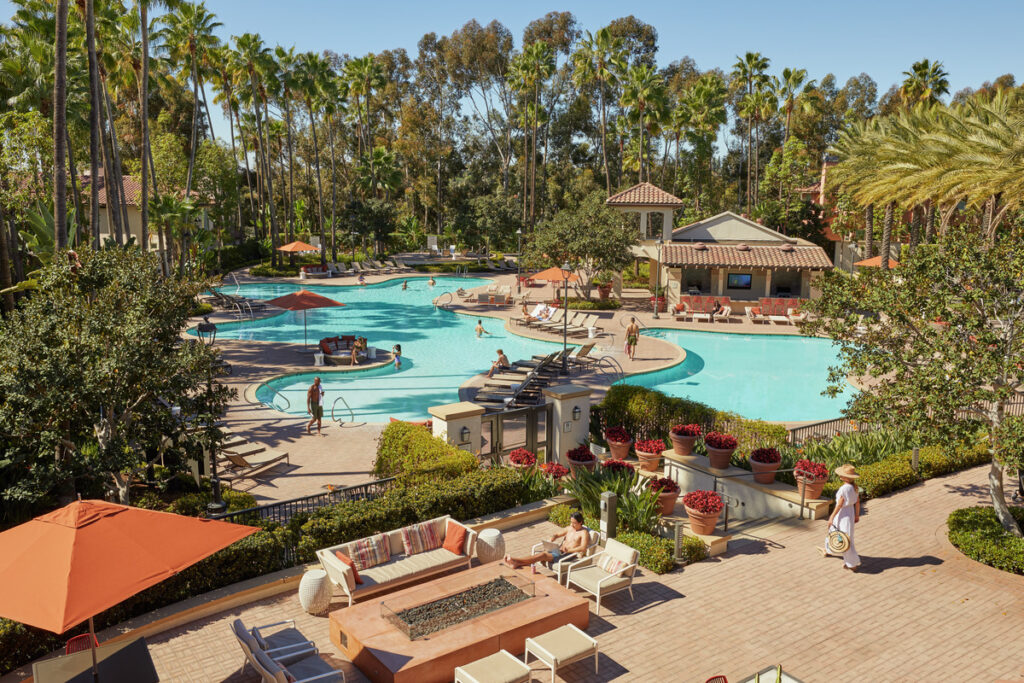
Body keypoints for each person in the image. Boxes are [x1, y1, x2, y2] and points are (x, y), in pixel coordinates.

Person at [504, 511, 589, 569]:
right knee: (541, 554)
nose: (572, 525)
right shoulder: (569, 528)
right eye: (571, 522)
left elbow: (583, 548)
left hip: (568, 555)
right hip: (558, 551)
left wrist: (569, 550)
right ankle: (516, 562)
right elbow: (557, 534)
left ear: (580, 522)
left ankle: (516, 561)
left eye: (574, 523)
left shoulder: (583, 533)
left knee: (543, 555)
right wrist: (553, 537)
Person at [819, 464, 862, 571]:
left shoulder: (844, 488)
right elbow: (857, 502)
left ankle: (852, 564)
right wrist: (856, 515)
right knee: (837, 532)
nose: (840, 476)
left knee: (843, 538)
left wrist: (831, 517)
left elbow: (839, 504)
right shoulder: (854, 487)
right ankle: (828, 549)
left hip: (842, 514)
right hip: (850, 513)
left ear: (846, 478)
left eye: (842, 475)